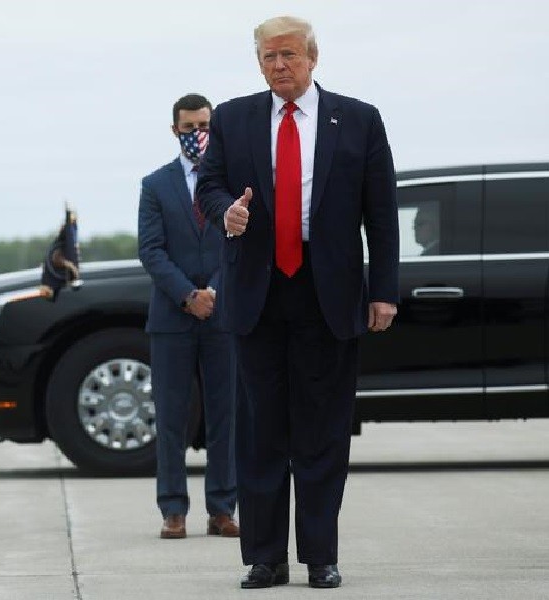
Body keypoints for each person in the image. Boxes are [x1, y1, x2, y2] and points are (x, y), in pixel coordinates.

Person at [197, 16, 399, 589]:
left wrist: (384, 290)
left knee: (322, 430)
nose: (278, 66)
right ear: (257, 63)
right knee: (260, 432)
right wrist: (224, 212)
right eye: (268, 57)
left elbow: (381, 213)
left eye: (288, 55)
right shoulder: (233, 118)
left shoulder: (358, 119)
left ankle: (320, 556)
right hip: (256, 290)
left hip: (327, 292)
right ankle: (265, 558)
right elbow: (208, 185)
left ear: (313, 58)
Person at [138, 93, 238, 540]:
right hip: (172, 319)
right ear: (174, 129)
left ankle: (222, 509)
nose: (197, 134)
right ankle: (173, 509)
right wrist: (187, 295)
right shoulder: (155, 184)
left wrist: (213, 291)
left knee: (226, 417)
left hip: (222, 316)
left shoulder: (232, 181)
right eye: (188, 127)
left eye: (204, 125)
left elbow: (239, 243)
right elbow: (151, 250)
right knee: (172, 418)